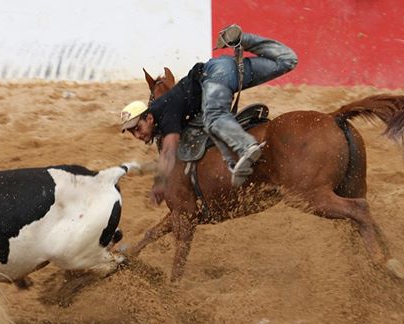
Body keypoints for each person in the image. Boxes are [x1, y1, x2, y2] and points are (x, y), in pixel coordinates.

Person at [120, 24, 297, 200]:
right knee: (287, 61)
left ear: (149, 118)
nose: (137, 135)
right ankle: (242, 40)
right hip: (226, 67)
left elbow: (168, 150)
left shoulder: (164, 114)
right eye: (132, 132)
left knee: (214, 117)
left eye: (137, 128)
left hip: (214, 75)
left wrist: (160, 183)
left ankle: (246, 146)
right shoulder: (166, 107)